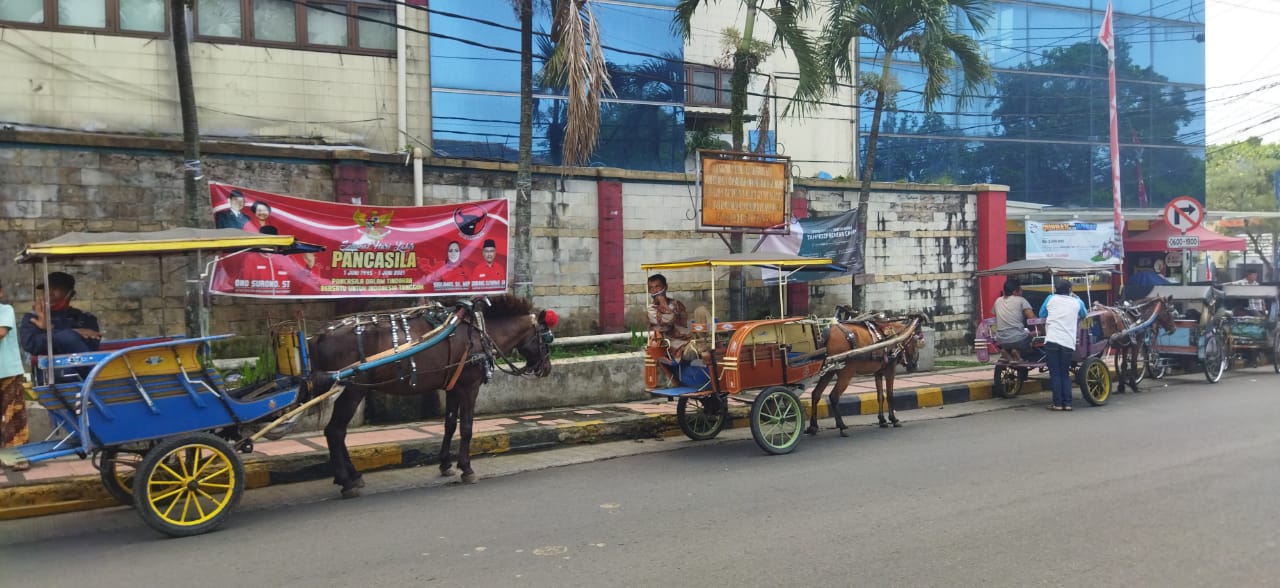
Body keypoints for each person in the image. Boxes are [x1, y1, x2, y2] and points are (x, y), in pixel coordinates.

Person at [18, 271, 102, 357]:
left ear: (71, 294)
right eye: (46, 289)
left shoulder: (84, 318)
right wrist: (73, 332)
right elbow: (30, 344)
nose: (50, 293)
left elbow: (91, 346)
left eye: (56, 288)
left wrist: (51, 329)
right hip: (48, 369)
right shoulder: (34, 317)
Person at [1039, 279, 1087, 411]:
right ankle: (1068, 403)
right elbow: (1084, 314)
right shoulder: (1077, 302)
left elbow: (1041, 314)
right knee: (1064, 373)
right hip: (1068, 342)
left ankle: (1057, 403)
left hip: (1052, 340)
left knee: (1055, 374)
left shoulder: (1050, 298)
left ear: (1056, 289)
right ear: (1070, 290)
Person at [1, 279, 29, 452]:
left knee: (14, 415)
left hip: (7, 372)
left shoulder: (5, 310)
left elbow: (1, 332)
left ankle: (18, 455)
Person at [646, 274, 691, 361]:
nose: (655, 291)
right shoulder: (651, 309)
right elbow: (668, 321)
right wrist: (663, 302)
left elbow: (686, 323)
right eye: (651, 288)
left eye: (657, 287)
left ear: (665, 287)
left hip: (686, 339)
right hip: (670, 344)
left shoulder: (677, 304)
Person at [991, 278, 1036, 361]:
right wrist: (1042, 330)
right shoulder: (1021, 300)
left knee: (1018, 335)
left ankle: (1007, 352)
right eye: (1020, 290)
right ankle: (1017, 351)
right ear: (1015, 292)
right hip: (1018, 339)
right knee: (1035, 334)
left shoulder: (998, 301)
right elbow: (1033, 319)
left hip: (1001, 340)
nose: (1022, 291)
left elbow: (996, 315)